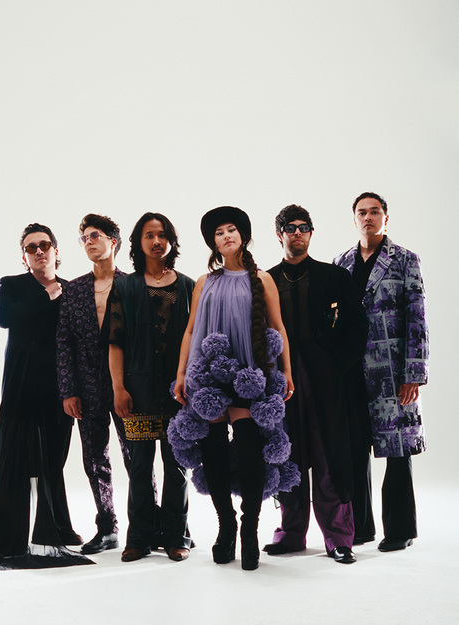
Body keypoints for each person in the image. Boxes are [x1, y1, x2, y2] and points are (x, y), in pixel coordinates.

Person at [0, 223, 91, 572]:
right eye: (32, 247)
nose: (39, 251)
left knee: (54, 459)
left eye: (45, 244)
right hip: (22, 383)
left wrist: (77, 386)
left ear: (57, 251)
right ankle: (13, 532)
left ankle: (55, 527)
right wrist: (45, 296)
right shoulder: (12, 285)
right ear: (24, 256)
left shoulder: (72, 290)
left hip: (59, 386)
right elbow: (5, 318)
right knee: (18, 459)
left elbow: (77, 339)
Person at [172, 206, 296, 571]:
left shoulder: (263, 279)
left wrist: (287, 371)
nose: (226, 236)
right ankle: (225, 525)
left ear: (243, 236)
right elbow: (191, 330)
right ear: (213, 242)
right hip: (209, 371)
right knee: (212, 450)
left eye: (231, 230)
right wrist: (181, 374)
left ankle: (249, 529)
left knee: (249, 447)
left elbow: (278, 327)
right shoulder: (204, 282)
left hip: (249, 370)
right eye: (219, 232)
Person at [263, 205, 369, 564]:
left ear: (311, 232)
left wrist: (337, 365)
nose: (297, 232)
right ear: (279, 234)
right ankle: (291, 534)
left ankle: (339, 538)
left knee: (329, 455)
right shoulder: (266, 280)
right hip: (281, 381)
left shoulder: (334, 276)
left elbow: (357, 326)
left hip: (326, 381)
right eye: (290, 227)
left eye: (304, 227)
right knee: (287, 454)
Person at [334, 192, 429, 552]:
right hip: (351, 370)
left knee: (397, 448)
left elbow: (417, 317)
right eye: (362, 212)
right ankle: (360, 528)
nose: (368, 217)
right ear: (354, 219)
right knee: (355, 449)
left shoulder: (405, 260)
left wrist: (414, 372)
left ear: (386, 218)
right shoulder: (341, 262)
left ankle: (400, 530)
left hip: (391, 370)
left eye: (375, 211)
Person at [109, 213, 194, 563]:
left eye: (162, 235)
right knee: (140, 467)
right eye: (149, 235)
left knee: (177, 467)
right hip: (139, 391)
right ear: (138, 242)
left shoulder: (188, 286)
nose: (156, 241)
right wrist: (118, 388)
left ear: (171, 241)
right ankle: (139, 537)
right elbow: (115, 342)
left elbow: (197, 340)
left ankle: (176, 536)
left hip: (179, 393)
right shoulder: (125, 287)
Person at [57, 214, 131, 555]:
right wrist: (68, 390)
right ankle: (107, 527)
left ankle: (149, 523)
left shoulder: (132, 285)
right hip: (86, 387)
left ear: (113, 241)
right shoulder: (73, 290)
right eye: (84, 237)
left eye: (95, 235)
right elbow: (64, 342)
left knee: (137, 456)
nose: (89, 242)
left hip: (127, 385)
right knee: (94, 459)